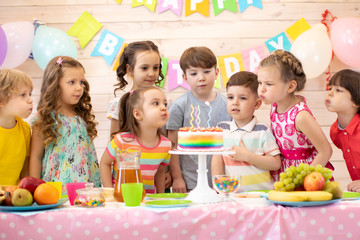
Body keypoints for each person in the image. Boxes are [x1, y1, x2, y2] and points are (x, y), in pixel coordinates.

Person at [257, 49, 333, 181]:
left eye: (268, 84)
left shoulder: (301, 116)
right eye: (260, 82)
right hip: (286, 173)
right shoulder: (275, 106)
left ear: (290, 86)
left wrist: (306, 179)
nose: (262, 89)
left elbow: (325, 150)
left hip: (305, 175)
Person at [30, 56, 101, 192]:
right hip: (55, 188)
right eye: (72, 82)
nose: (79, 88)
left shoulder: (81, 115)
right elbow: (36, 157)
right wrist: (35, 191)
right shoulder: (44, 118)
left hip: (86, 187)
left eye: (81, 82)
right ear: (55, 84)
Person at [166, 46, 231, 193]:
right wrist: (177, 178)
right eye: (194, 73)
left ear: (216, 72)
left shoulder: (228, 104)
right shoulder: (179, 106)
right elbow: (172, 145)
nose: (201, 77)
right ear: (185, 78)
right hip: (190, 180)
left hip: (221, 180)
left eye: (207, 71)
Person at [211, 71, 281, 191]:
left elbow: (276, 164)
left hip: (262, 195)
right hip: (233, 195)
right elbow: (217, 158)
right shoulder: (221, 129)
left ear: (257, 104)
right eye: (230, 97)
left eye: (242, 98)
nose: (235, 102)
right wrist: (218, 187)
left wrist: (248, 156)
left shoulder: (262, 131)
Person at [100, 87, 171, 193]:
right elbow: (104, 163)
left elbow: (160, 173)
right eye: (156, 103)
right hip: (121, 199)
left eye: (165, 104)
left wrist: (160, 197)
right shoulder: (121, 141)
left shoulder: (166, 145)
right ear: (138, 114)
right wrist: (110, 192)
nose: (163, 108)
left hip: (147, 201)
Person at [107, 40, 164, 137]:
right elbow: (114, 142)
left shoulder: (162, 103)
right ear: (130, 69)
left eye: (155, 68)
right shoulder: (119, 104)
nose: (151, 74)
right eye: (144, 68)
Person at [325, 69, 360, 192]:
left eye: (338, 90)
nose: (330, 93)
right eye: (330, 89)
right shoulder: (335, 132)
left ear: (356, 101)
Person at [0, 69, 33, 185]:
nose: (30, 100)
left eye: (30, 94)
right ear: (1, 100)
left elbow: (26, 169)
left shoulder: (25, 129)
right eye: (23, 95)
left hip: (14, 198)